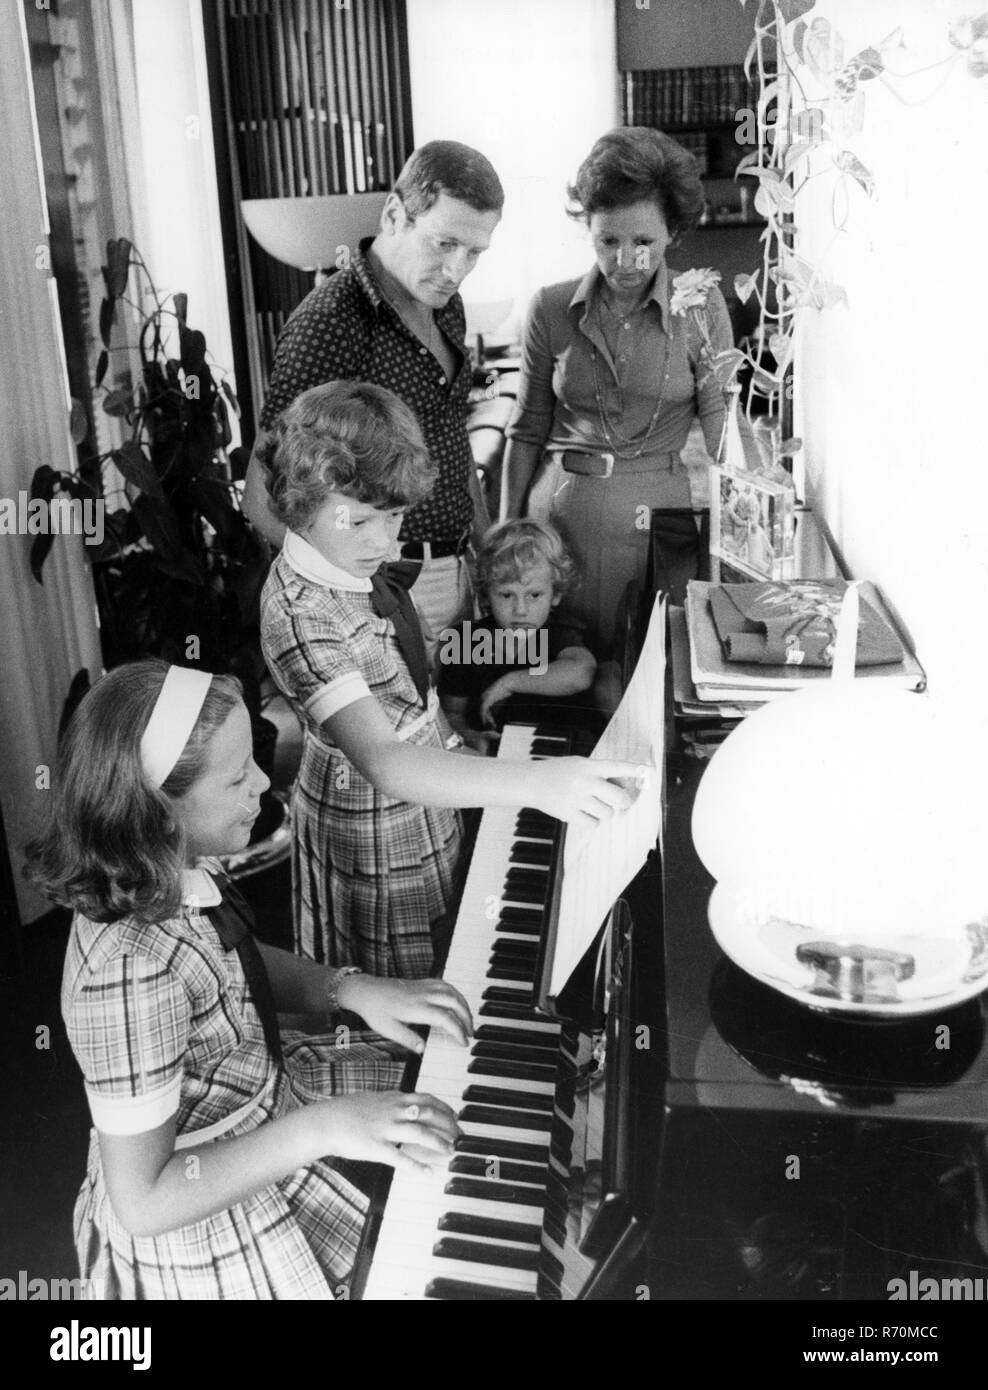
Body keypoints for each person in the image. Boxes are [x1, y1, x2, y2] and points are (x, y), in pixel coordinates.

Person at [24, 660, 471, 1300]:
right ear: (156, 811)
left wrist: (344, 986)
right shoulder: (128, 973)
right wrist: (326, 1128)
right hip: (202, 1203)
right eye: (238, 776)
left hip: (261, 1102)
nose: (264, 781)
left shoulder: (168, 868)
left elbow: (232, 960)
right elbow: (145, 1201)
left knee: (444, 1091)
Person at [258, 381, 639, 977]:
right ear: (301, 504)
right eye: (360, 521)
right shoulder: (303, 615)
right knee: (404, 983)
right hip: (376, 833)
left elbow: (410, 693)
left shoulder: (349, 561)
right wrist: (536, 783)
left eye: (396, 517)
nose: (385, 542)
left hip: (425, 801)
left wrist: (460, 739)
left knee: (444, 936)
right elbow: (385, 760)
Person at [243, 140, 504, 652]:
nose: (457, 269)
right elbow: (261, 497)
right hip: (379, 585)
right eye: (444, 243)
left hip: (457, 573)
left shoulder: (446, 306)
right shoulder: (330, 322)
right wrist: (360, 591)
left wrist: (484, 546)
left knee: (452, 730)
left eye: (474, 252)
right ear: (393, 215)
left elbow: (452, 440)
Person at [501, 126, 744, 658]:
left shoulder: (702, 307)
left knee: (650, 663)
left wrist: (738, 530)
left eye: (643, 243)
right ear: (588, 228)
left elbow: (720, 420)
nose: (625, 260)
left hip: (660, 515)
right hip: (560, 516)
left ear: (672, 235)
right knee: (562, 674)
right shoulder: (549, 307)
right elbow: (525, 430)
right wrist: (507, 534)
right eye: (608, 241)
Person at [438, 518, 596, 747]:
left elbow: (581, 673)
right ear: (486, 595)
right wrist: (470, 737)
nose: (520, 610)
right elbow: (451, 713)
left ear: (556, 595)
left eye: (534, 595)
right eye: (506, 595)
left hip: (551, 756)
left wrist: (510, 682)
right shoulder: (465, 641)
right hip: (490, 761)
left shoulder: (562, 632)